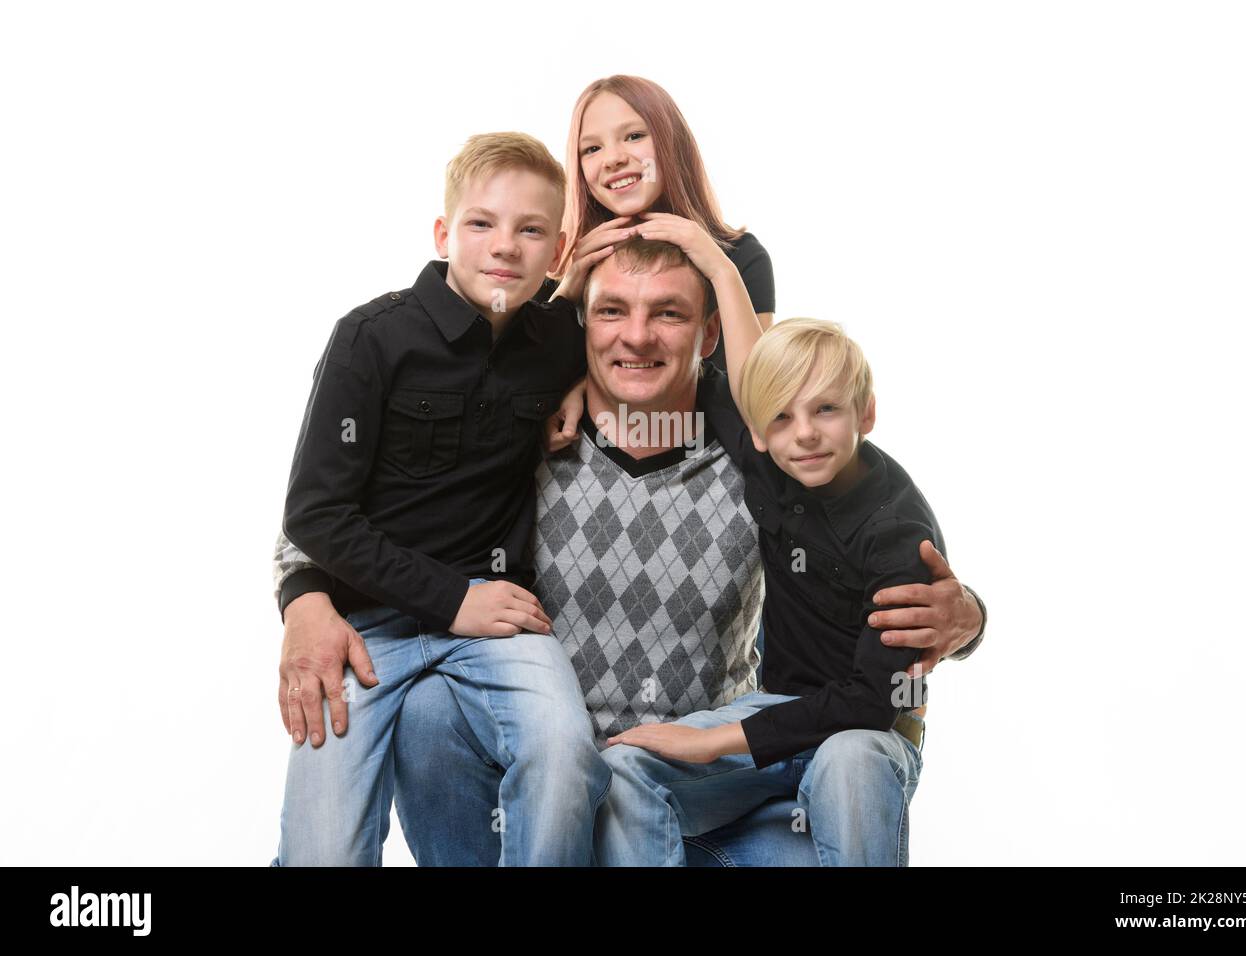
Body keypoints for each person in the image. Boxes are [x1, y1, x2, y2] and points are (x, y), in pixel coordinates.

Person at [274, 238, 988, 865]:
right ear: (578, 326)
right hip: (532, 807)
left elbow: (869, 524)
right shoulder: (525, 433)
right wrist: (304, 593)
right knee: (430, 709)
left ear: (709, 335)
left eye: (668, 314)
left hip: (701, 800)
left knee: (828, 811)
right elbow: (356, 501)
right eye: (612, 310)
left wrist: (969, 619)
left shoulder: (766, 456)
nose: (637, 337)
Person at [270, 132, 610, 866]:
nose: (504, 248)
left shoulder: (559, 339)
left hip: (497, 621)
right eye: (482, 223)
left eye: (530, 231)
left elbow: (657, 343)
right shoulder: (371, 338)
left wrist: (582, 382)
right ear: (442, 233)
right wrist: (449, 597)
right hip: (366, 629)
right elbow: (316, 513)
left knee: (565, 754)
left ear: (557, 255)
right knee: (323, 851)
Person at [597, 317, 943, 866]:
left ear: (866, 413)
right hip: (777, 711)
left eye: (825, 409)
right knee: (623, 769)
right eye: (780, 417)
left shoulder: (898, 533)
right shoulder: (770, 461)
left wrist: (715, 740)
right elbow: (705, 371)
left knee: (849, 762)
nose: (803, 432)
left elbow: (871, 702)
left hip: (865, 734)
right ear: (756, 433)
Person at [554, 75, 775, 373]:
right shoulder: (565, 264)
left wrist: (721, 271)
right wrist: (567, 289)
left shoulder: (741, 258)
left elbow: (759, 399)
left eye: (634, 136)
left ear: (671, 141)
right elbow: (528, 388)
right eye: (592, 149)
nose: (613, 159)